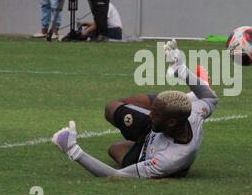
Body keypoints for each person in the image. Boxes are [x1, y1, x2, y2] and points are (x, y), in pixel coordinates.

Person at [52, 40, 219, 178]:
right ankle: (192, 94)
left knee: (114, 149)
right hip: (159, 129)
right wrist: (182, 70)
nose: (149, 114)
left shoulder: (171, 158)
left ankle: (193, 93)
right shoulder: (192, 114)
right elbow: (211, 98)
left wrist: (73, 149)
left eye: (155, 113)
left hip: (147, 153)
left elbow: (116, 176)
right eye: (152, 110)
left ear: (172, 121)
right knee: (111, 108)